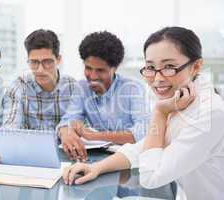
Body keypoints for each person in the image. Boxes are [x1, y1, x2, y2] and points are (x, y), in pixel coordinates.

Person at [63, 27, 224, 200]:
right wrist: (97, 168)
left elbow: (151, 177)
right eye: (150, 67)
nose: (158, 78)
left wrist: (160, 112)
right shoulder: (182, 99)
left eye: (169, 66)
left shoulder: (210, 114)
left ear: (196, 66)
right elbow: (142, 147)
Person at [0, 29, 76, 164]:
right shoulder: (19, 86)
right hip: (27, 161)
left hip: (66, 161)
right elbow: (11, 126)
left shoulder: (73, 87)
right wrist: (0, 144)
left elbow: (81, 126)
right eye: (34, 62)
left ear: (58, 60)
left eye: (47, 62)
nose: (40, 69)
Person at [58, 31, 149, 161]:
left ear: (115, 68)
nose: (93, 76)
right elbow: (69, 119)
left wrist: (92, 136)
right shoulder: (82, 88)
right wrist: (66, 132)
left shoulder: (133, 88)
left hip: (130, 160)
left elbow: (142, 132)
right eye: (88, 68)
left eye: (100, 70)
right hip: (96, 159)